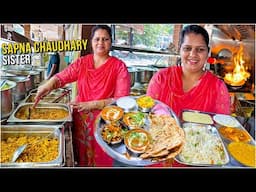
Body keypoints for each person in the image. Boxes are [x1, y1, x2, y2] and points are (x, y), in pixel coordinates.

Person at [34, 25, 131, 167]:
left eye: (105, 39)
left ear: (111, 42)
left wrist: (92, 104)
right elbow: (62, 77)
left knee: (100, 160)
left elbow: (122, 101)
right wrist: (47, 85)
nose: (100, 43)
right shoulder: (82, 62)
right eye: (97, 39)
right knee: (80, 157)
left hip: (104, 124)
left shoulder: (119, 67)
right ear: (91, 41)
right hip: (81, 121)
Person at [146, 25, 231, 167]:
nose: (193, 54)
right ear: (180, 50)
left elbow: (222, 131)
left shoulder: (218, 88)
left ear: (208, 53)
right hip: (159, 159)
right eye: (187, 48)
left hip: (199, 161)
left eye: (200, 49)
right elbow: (147, 118)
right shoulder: (161, 78)